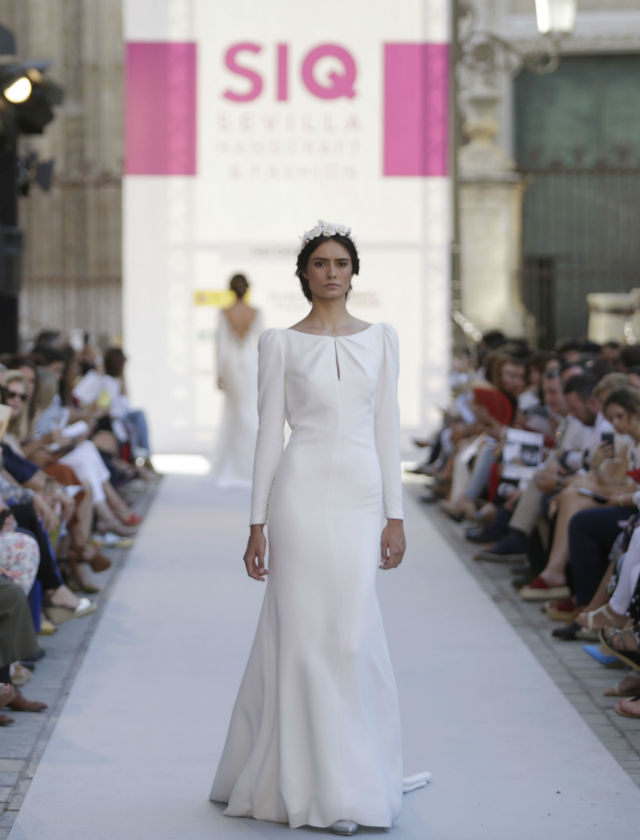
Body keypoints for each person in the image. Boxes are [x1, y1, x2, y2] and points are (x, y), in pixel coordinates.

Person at [210, 222, 427, 836]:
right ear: (304, 273)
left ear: (355, 271)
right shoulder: (278, 343)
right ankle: (308, 784)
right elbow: (267, 436)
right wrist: (256, 524)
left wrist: (396, 514)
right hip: (300, 495)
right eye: (321, 262)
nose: (332, 271)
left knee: (353, 633)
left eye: (342, 262)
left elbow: (388, 428)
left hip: (361, 495)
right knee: (303, 634)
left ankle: (353, 775)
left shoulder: (383, 339)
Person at [212, 273, 263, 486]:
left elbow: (221, 345)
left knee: (236, 411)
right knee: (247, 409)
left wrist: (219, 373)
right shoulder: (256, 312)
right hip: (249, 361)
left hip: (232, 363)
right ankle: (254, 462)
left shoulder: (225, 312)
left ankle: (238, 463)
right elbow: (261, 341)